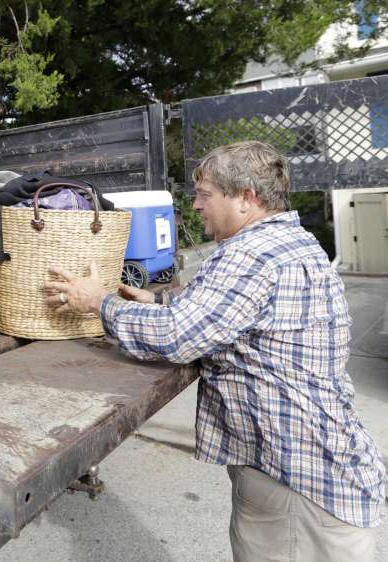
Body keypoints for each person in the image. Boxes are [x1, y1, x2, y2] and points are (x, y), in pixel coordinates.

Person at [43, 141, 385, 562]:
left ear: (246, 197)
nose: (196, 206)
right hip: (312, 472)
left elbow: (177, 338)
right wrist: (155, 304)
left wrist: (98, 302)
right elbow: (232, 316)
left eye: (205, 195)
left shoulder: (252, 254)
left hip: (296, 488)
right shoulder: (291, 242)